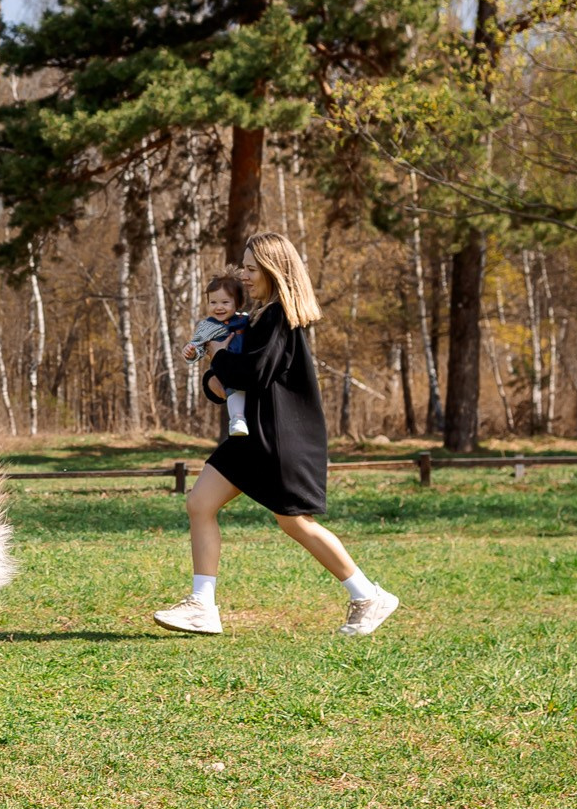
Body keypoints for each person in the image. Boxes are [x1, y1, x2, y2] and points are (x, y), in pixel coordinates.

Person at [152, 230, 400, 640]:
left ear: (273, 270)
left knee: (294, 522)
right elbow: (228, 383)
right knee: (200, 502)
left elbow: (251, 373)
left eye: (251, 269)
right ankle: (202, 606)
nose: (244, 277)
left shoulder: (279, 317)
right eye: (245, 268)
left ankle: (368, 595)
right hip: (253, 437)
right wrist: (216, 373)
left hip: (281, 440)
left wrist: (215, 357)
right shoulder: (259, 318)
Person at [182, 275, 252, 437]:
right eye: (213, 302)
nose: (218, 307)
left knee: (243, 387)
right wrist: (192, 352)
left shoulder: (245, 320)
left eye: (225, 302)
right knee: (234, 389)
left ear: (238, 303)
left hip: (244, 366)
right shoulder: (208, 326)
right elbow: (199, 346)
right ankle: (237, 419)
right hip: (224, 370)